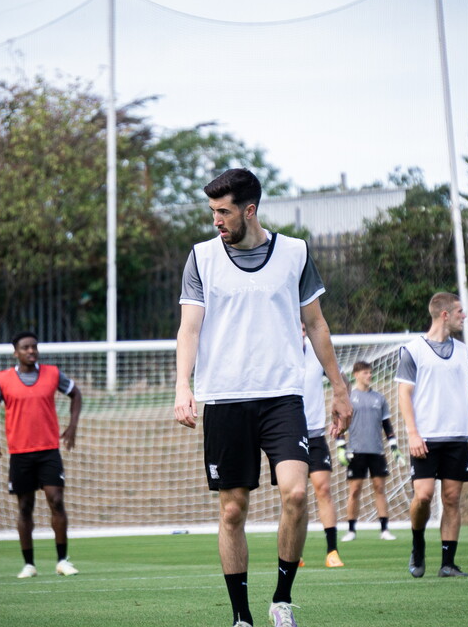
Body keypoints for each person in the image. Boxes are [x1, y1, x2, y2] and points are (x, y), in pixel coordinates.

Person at [174, 168, 351, 627]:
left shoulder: (294, 252)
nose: (216, 220)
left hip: (282, 397)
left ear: (249, 210)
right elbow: (189, 329)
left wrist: (339, 387)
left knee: (297, 493)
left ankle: (282, 601)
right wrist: (182, 385)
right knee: (233, 509)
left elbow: (316, 324)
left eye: (223, 211)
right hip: (225, 399)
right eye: (212, 211)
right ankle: (241, 616)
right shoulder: (201, 258)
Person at [396, 292, 468, 578]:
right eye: (460, 311)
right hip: (425, 437)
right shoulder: (413, 350)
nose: (465, 316)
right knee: (423, 496)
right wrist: (413, 433)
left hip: (457, 436)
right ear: (445, 314)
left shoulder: (464, 351)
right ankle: (417, 544)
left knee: (451, 499)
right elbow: (404, 393)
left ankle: (448, 564)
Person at [0, 331, 83, 579]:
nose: (31, 351)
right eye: (25, 347)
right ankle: (29, 564)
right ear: (15, 352)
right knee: (25, 506)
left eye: (34, 347)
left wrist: (72, 426)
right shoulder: (3, 379)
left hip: (49, 450)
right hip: (20, 452)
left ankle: (62, 560)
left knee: (56, 500)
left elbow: (76, 394)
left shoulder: (52, 373)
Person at [336, 360, 403, 542]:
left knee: (380, 489)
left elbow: (386, 424)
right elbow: (340, 423)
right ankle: (351, 530)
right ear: (356, 375)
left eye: (370, 372)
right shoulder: (349, 397)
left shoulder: (379, 398)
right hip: (356, 451)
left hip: (377, 451)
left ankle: (384, 529)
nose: (369, 375)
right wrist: (341, 446)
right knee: (355, 490)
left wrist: (394, 447)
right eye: (365, 373)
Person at [300, 325, 345, 568]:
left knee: (323, 489)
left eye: (304, 328)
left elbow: (342, 381)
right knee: (294, 496)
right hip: (287, 436)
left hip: (316, 434)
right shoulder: (278, 352)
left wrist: (341, 408)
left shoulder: (318, 352)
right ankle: (294, 554)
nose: (301, 332)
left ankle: (332, 551)